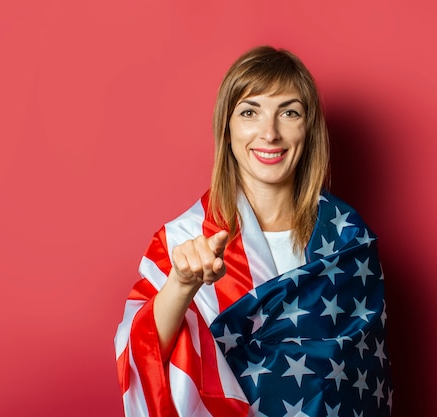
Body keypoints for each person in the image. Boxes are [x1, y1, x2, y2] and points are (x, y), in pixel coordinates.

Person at [114, 46, 392, 417]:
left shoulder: (348, 238)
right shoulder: (184, 238)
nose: (270, 133)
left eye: (289, 112)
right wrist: (181, 284)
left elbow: (364, 379)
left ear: (307, 129)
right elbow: (142, 355)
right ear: (227, 128)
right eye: (250, 112)